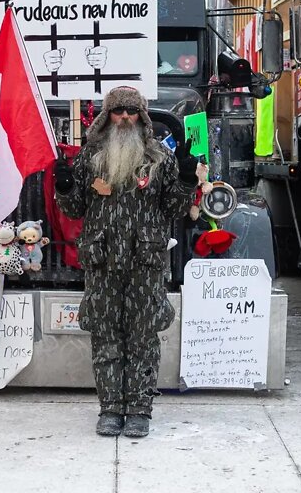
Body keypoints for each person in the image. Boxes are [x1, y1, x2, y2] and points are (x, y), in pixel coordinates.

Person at [53, 86, 199, 438]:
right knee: (105, 336)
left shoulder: (159, 159)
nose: (124, 118)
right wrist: (65, 185)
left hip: (144, 261)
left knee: (143, 338)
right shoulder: (89, 157)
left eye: (131, 111)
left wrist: (185, 180)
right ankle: (110, 409)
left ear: (142, 116)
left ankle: (139, 410)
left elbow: (174, 210)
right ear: (107, 116)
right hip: (102, 261)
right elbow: (74, 210)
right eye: (118, 111)